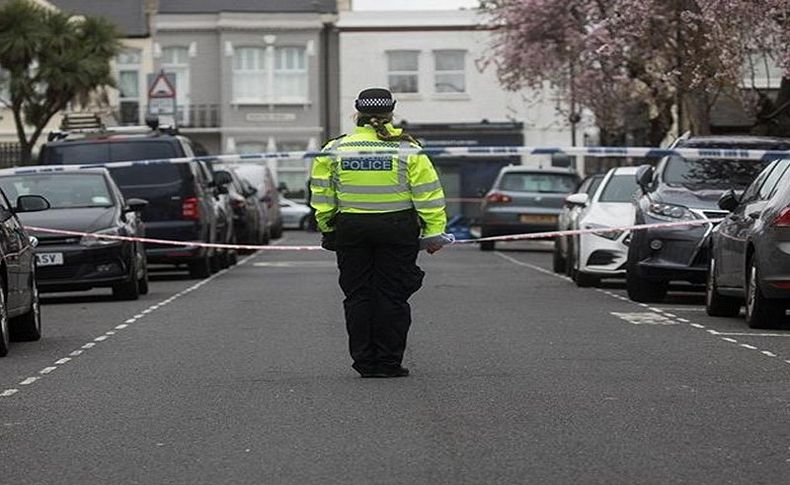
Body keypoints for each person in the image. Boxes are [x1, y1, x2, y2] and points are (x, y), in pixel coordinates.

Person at [310, 87, 449, 378]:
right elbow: (428, 195)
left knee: (358, 296)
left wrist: (327, 227)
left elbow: (322, 195)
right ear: (392, 113)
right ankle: (388, 363)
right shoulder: (408, 149)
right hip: (397, 229)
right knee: (392, 297)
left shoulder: (336, 149)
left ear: (357, 113)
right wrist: (435, 233)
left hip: (351, 229)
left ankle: (364, 363)